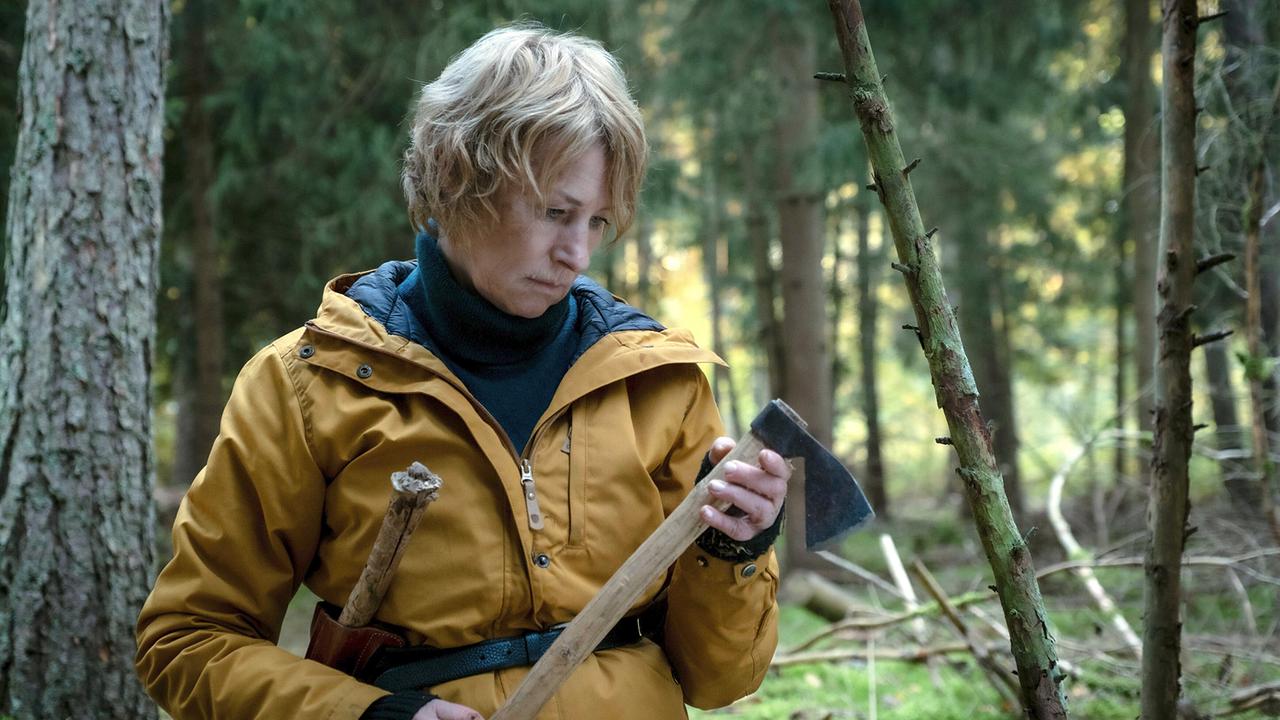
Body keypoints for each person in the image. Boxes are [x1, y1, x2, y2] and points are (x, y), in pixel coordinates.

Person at [136, 24, 788, 720]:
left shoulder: (659, 384)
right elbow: (187, 641)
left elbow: (721, 680)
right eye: (555, 211)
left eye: (597, 221)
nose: (576, 253)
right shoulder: (309, 383)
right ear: (458, 179)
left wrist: (732, 547)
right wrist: (369, 716)